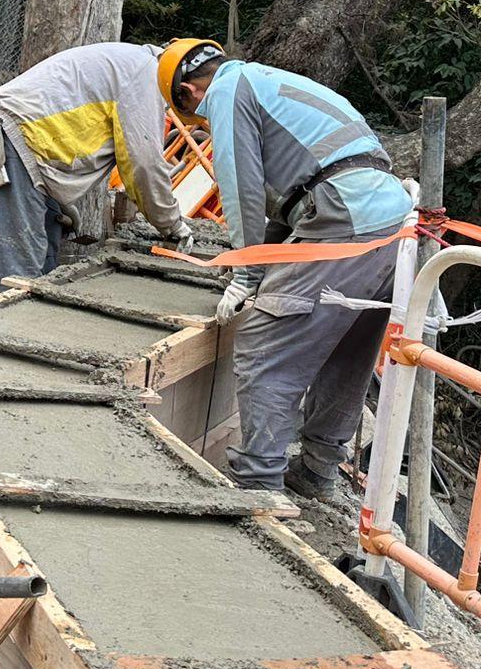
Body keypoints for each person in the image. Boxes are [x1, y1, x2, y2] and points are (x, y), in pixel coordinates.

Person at [159, 38, 412, 503]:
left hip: (345, 219)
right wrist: (267, 258)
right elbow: (293, 199)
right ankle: (317, 472)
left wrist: (246, 274)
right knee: (346, 353)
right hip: (393, 226)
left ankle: (258, 482)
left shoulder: (228, 91)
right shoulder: (272, 82)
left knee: (264, 345)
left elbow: (241, 188)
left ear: (190, 93)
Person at [0, 42, 190, 291]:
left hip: (25, 135)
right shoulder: (146, 75)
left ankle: (36, 303)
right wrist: (172, 225)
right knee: (20, 267)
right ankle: (3, 311)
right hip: (20, 133)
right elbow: (144, 166)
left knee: (48, 236)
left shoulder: (132, 63)